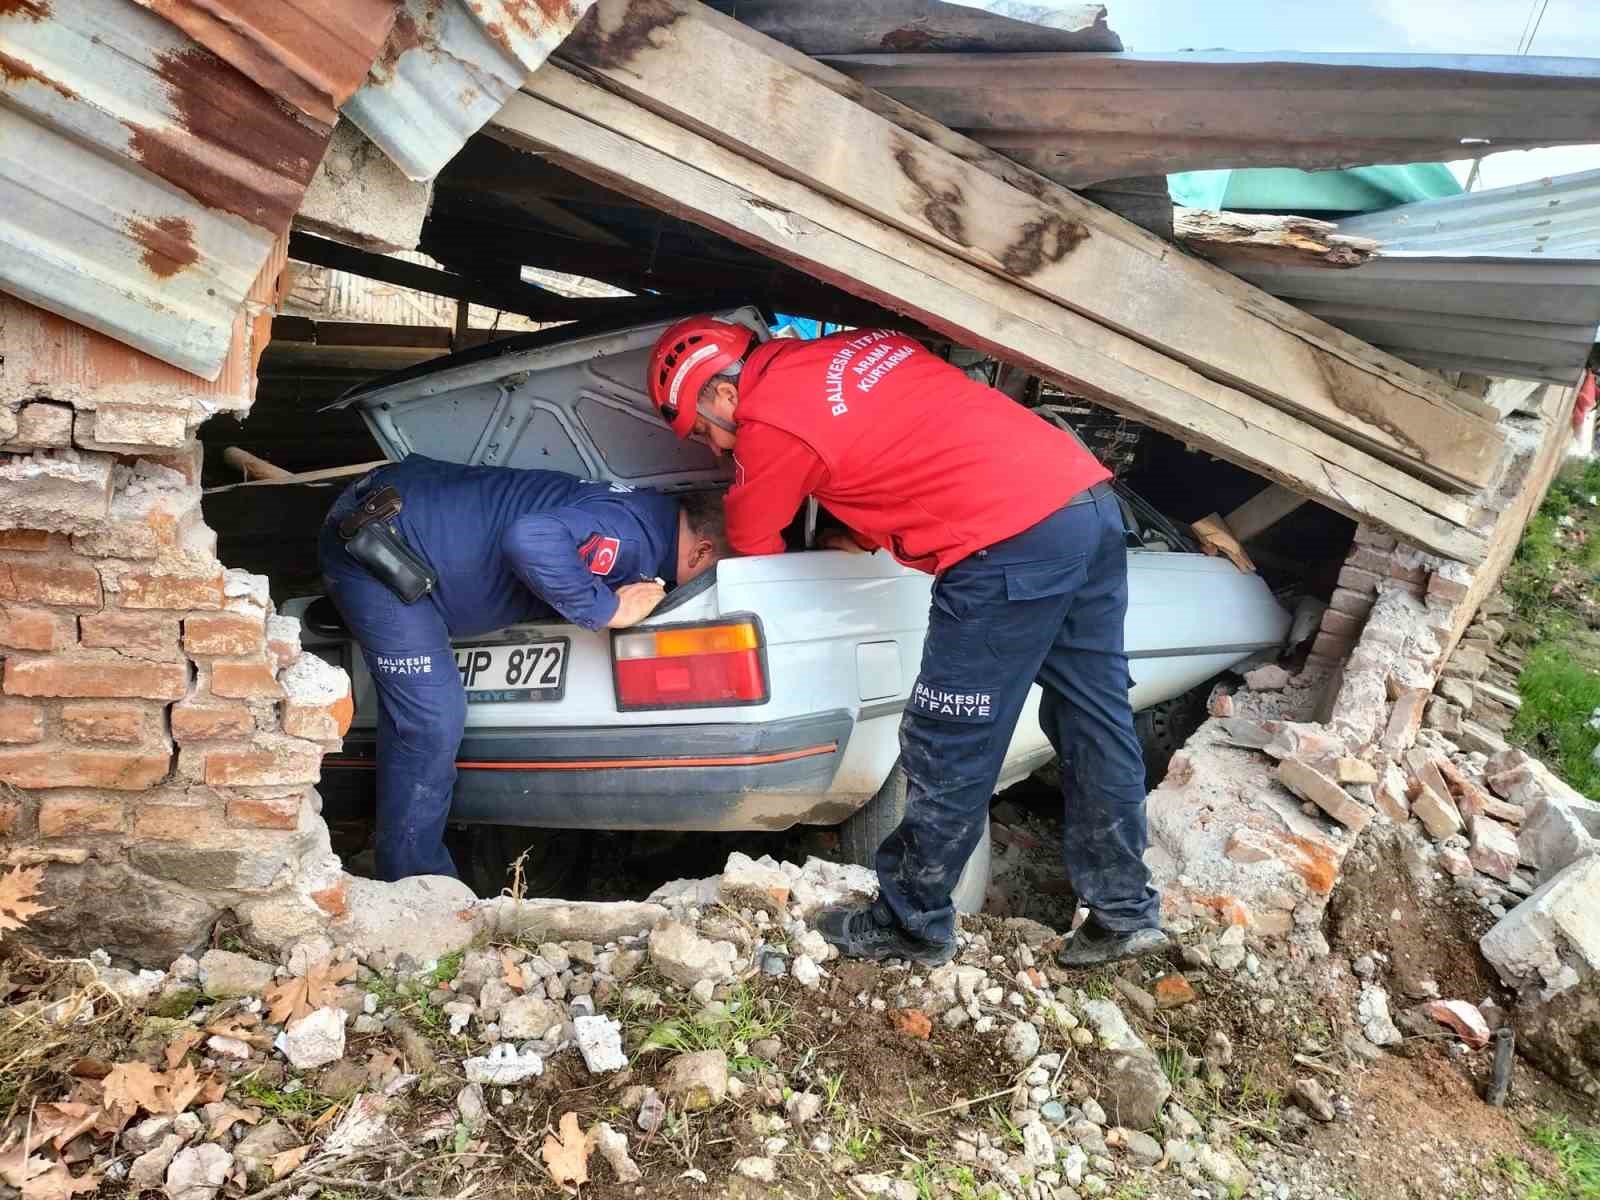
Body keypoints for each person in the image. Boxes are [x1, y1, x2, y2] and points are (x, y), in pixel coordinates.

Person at [647, 319, 1167, 969]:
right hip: (1083, 504)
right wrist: (864, 532)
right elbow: (904, 441)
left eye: (704, 430)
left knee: (948, 735)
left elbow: (755, 550)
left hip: (1004, 544)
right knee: (1093, 713)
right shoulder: (853, 346)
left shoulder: (769, 423)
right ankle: (1125, 911)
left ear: (723, 395)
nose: (718, 448)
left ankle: (911, 918)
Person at [318, 455, 728, 882]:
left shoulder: (647, 517)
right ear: (702, 551)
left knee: (426, 716)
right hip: (376, 546)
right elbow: (531, 538)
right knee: (430, 721)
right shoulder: (629, 535)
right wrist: (608, 607)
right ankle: (413, 885)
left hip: (411, 516)